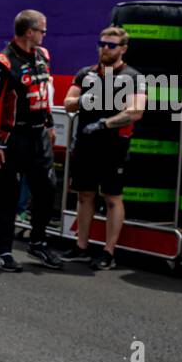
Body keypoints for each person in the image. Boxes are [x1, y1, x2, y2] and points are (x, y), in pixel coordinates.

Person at [60, 26, 147, 271]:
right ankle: (81, 246)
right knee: (84, 194)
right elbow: (67, 103)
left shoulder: (133, 77)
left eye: (111, 45)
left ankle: (108, 252)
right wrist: (85, 101)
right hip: (86, 145)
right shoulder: (86, 74)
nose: (104, 49)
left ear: (123, 49)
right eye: (102, 44)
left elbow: (136, 111)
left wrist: (105, 123)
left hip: (114, 146)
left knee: (112, 198)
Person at [0, 9, 62, 271]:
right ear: (29, 32)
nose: (44, 35)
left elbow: (44, 92)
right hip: (12, 139)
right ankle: (0, 250)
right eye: (42, 30)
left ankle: (38, 242)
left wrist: (49, 124)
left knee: (47, 189)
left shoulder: (44, 55)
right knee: (4, 199)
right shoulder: (2, 63)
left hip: (38, 135)